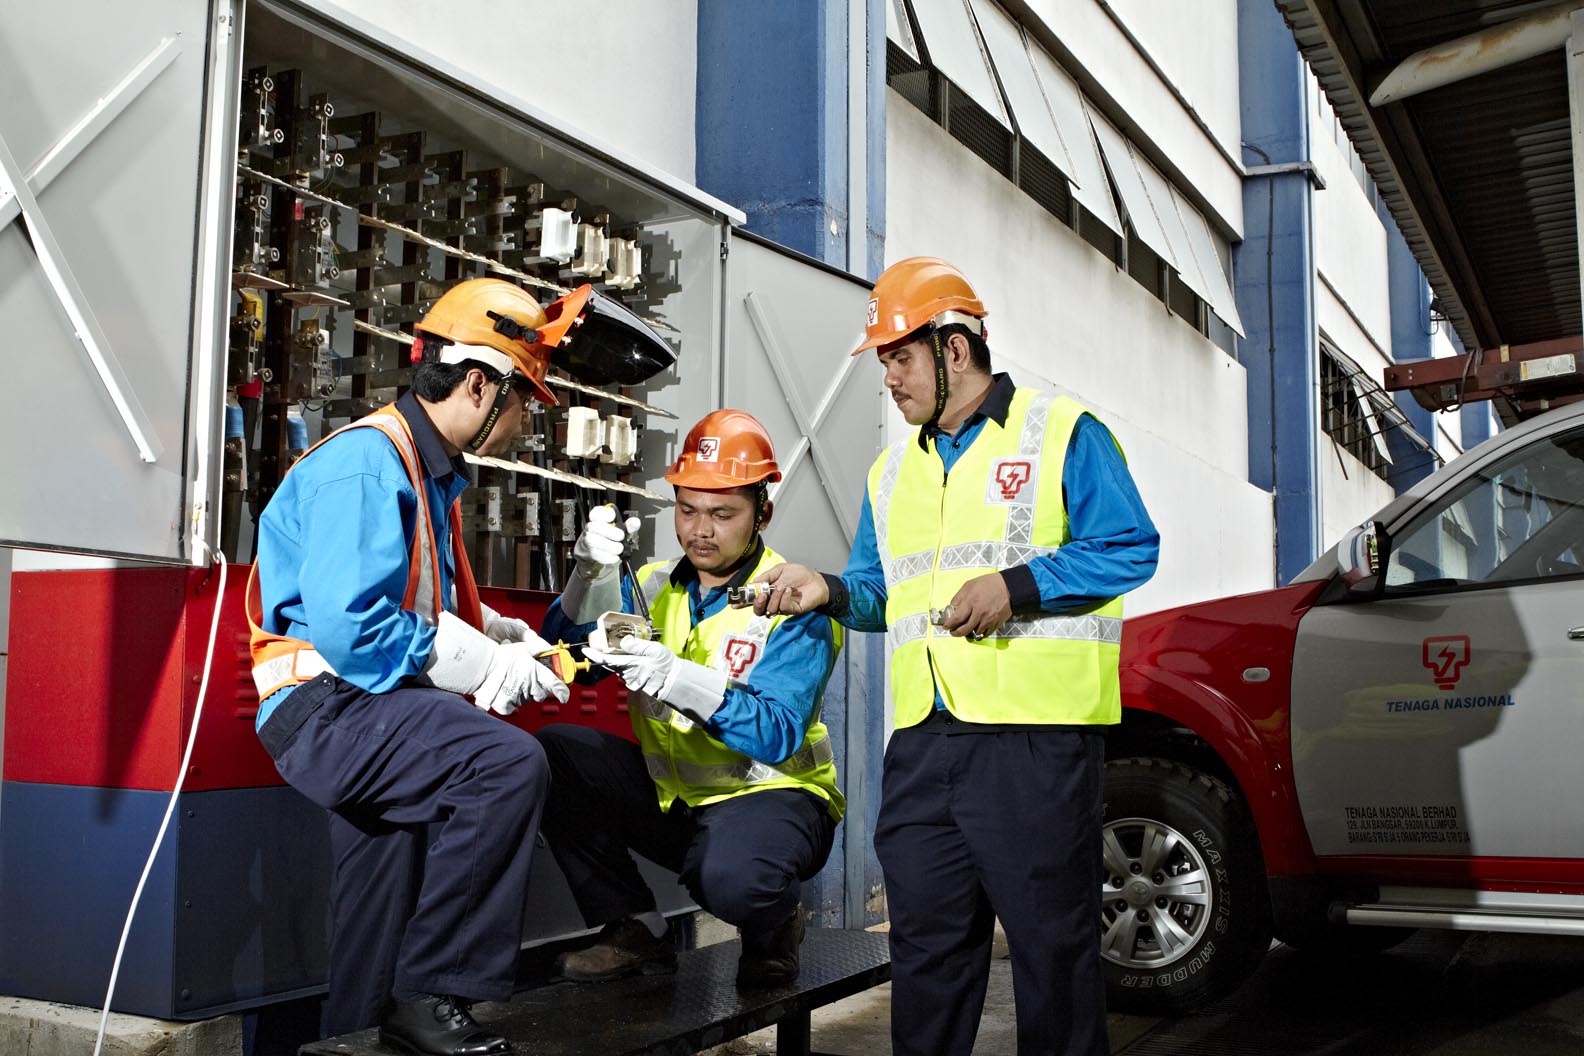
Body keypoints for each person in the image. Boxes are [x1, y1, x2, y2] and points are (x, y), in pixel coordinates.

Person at [747, 258, 1159, 1056]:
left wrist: (1018, 585)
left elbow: (1129, 548)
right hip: (923, 750)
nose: (890, 379)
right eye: (885, 361)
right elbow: (881, 593)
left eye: (901, 357)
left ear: (956, 348)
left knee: (1052, 957)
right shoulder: (891, 469)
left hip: (1034, 744)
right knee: (929, 959)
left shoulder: (1063, 433)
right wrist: (825, 590)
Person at [247, 278, 587, 1056]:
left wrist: (501, 636)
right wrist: (474, 665)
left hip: (366, 706)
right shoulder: (371, 465)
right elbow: (351, 626)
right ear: (477, 383)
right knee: (503, 765)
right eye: (522, 399)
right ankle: (435, 992)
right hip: (331, 707)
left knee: (385, 870)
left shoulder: (421, 471)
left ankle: (358, 1032)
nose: (525, 421)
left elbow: (424, 606)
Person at [535, 409, 845, 989]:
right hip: (679, 802)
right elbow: (572, 659)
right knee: (552, 752)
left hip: (772, 802)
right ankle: (636, 929)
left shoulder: (794, 600)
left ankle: (774, 925)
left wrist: (675, 676)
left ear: (762, 513)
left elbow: (777, 733)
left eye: (723, 513)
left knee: (731, 878)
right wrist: (585, 575)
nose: (701, 530)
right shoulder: (650, 584)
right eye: (688, 509)